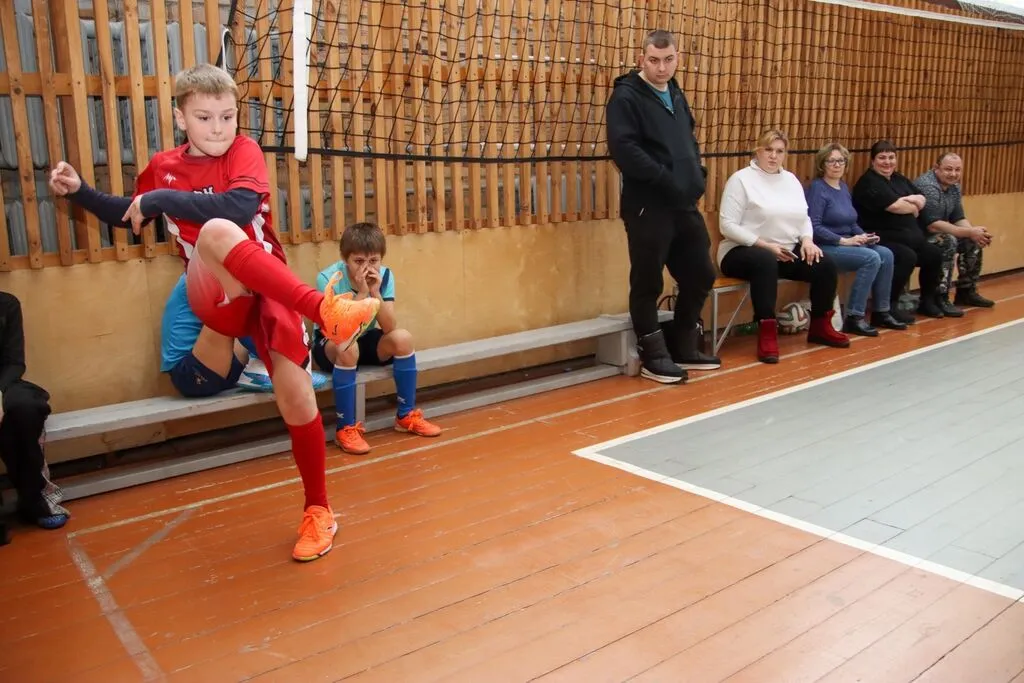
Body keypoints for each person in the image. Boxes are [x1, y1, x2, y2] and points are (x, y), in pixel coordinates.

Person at [49, 63, 379, 563]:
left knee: (297, 399)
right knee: (213, 232)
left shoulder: (244, 151)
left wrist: (159, 199)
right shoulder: (164, 167)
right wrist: (80, 191)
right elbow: (129, 212)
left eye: (227, 116)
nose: (219, 128)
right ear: (181, 118)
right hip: (216, 293)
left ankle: (318, 510)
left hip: (267, 291)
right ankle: (326, 311)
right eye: (204, 118)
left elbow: (242, 206)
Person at [605, 28, 719, 385]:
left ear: (677, 58)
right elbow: (624, 150)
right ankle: (654, 356)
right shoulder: (626, 97)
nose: (662, 67)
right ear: (642, 59)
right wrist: (666, 179)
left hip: (683, 203)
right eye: (654, 60)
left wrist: (697, 174)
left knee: (701, 273)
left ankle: (683, 344)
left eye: (668, 60)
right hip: (648, 206)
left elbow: (688, 137)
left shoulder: (675, 91)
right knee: (648, 281)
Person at [718, 130, 850, 364]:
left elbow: (804, 218)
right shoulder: (741, 179)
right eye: (768, 150)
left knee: (825, 264)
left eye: (779, 151)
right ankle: (767, 333)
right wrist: (765, 245)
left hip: (784, 252)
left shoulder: (790, 180)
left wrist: (807, 240)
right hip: (741, 251)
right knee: (765, 261)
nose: (773, 156)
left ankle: (820, 327)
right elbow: (727, 225)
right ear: (757, 151)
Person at [311, 222, 441, 455]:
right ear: (345, 259)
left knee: (402, 338)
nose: (367, 268)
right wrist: (362, 293)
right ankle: (345, 428)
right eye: (358, 261)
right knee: (348, 347)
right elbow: (342, 329)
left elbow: (389, 326)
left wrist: (374, 292)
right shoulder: (328, 279)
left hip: (365, 337)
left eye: (373, 261)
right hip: (332, 342)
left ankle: (405, 415)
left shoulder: (385, 275)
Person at [806, 142, 907, 336]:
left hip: (847, 243)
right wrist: (844, 241)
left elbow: (851, 222)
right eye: (831, 161)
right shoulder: (818, 189)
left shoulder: (843, 187)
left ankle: (881, 311)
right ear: (822, 164)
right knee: (871, 258)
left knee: (886, 254)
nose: (837, 165)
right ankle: (854, 316)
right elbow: (814, 227)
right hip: (825, 246)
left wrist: (864, 236)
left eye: (841, 161)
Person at [851, 140, 944, 321]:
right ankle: (889, 306)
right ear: (873, 161)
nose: (887, 162)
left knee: (933, 254)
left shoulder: (898, 178)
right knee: (906, 257)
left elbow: (922, 198)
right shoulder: (868, 182)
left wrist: (910, 202)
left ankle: (927, 301)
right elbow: (894, 206)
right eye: (882, 158)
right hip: (880, 236)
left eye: (891, 157)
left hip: (908, 237)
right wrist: (912, 205)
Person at [0, 292, 70, 530]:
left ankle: (36, 501)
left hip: (3, 384)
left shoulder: (6, 304)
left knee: (25, 409)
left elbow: (14, 362)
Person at [915, 152, 995, 310]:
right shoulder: (928, 186)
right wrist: (969, 232)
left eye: (957, 170)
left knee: (972, 239)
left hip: (939, 232)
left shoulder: (954, 187)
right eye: (948, 169)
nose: (953, 174)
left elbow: (958, 217)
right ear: (936, 168)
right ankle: (940, 296)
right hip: (919, 236)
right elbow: (932, 225)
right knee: (948, 241)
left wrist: (975, 233)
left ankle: (966, 291)